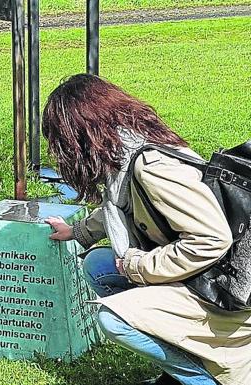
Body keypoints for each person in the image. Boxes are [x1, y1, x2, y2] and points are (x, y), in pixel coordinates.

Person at [42, 74, 251, 385]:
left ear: (81, 135)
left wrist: (138, 265)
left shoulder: (153, 168)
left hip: (223, 293)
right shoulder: (129, 153)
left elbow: (211, 238)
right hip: (202, 277)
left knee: (112, 318)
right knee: (98, 266)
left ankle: (203, 380)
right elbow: (123, 205)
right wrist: (76, 231)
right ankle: (179, 367)